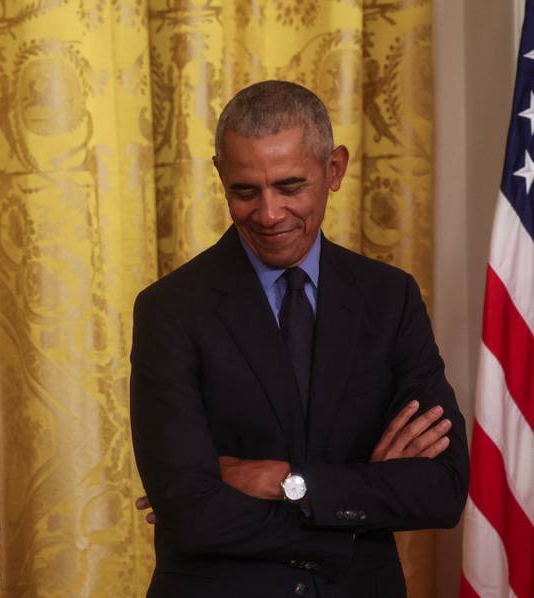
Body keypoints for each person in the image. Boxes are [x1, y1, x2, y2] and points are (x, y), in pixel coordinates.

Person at [130, 81, 469, 597]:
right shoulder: (169, 308)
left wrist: (286, 480)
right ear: (220, 175)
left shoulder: (389, 297)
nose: (268, 214)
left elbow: (442, 489)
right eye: (245, 191)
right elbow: (192, 512)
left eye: (290, 187)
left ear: (334, 169)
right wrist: (354, 509)